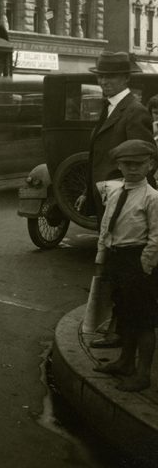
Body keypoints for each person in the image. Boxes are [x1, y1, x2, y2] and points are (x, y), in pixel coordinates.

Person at [74, 51, 154, 349]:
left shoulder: (134, 112)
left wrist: (122, 194)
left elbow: (146, 159)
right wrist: (87, 191)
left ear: (125, 78)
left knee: (123, 274)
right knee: (111, 270)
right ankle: (117, 329)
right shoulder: (110, 108)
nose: (104, 81)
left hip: (125, 208)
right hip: (109, 203)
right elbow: (96, 157)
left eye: (110, 76)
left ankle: (121, 333)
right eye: (101, 76)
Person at [92, 139, 158, 392]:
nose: (132, 169)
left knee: (143, 320)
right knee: (125, 315)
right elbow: (106, 227)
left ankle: (143, 374)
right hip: (117, 258)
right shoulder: (116, 192)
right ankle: (125, 363)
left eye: (138, 164)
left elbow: (155, 236)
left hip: (138, 262)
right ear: (118, 165)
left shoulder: (152, 198)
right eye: (126, 164)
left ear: (150, 165)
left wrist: (146, 264)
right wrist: (101, 258)